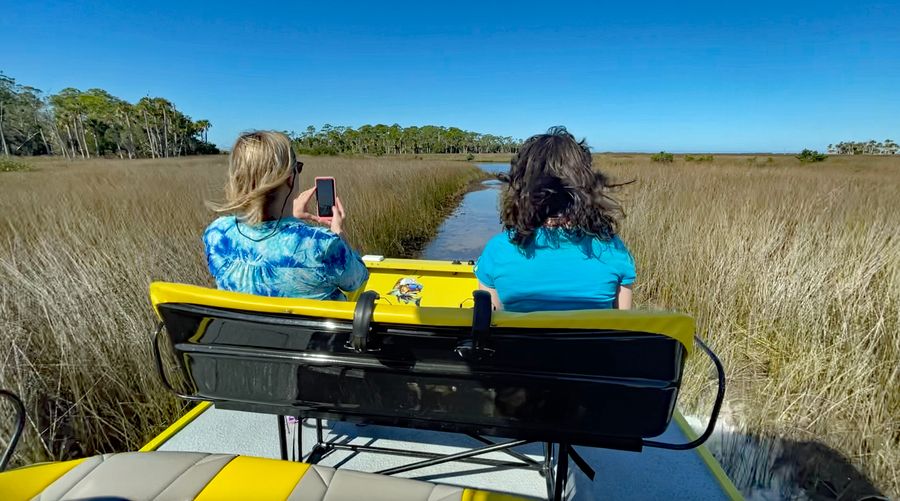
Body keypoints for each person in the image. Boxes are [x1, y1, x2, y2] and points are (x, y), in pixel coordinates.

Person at [474, 127, 635, 312]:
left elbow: (489, 321)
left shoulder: (498, 250)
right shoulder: (613, 248)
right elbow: (623, 326)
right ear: (584, 184)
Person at [203, 131, 368, 299]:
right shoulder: (323, 244)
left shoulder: (217, 233)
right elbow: (357, 280)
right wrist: (338, 232)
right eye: (299, 168)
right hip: (312, 326)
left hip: (242, 326)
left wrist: (293, 218)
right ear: (290, 178)